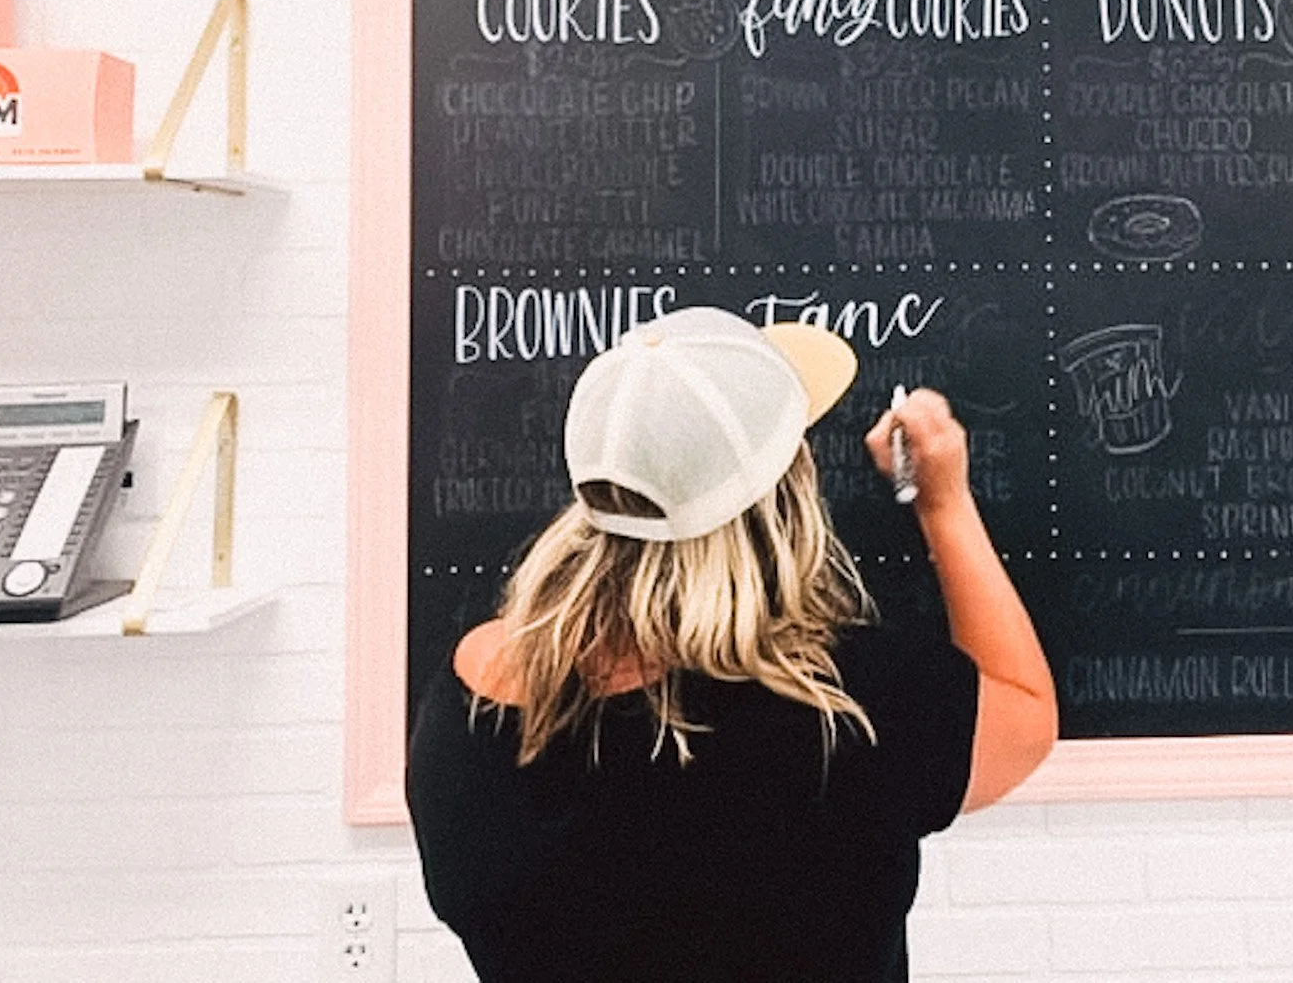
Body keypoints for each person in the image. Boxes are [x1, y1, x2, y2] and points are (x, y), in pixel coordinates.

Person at [407, 306, 1056, 983]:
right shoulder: (847, 709)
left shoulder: (470, 706)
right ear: (789, 489)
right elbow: (1025, 710)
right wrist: (943, 504)